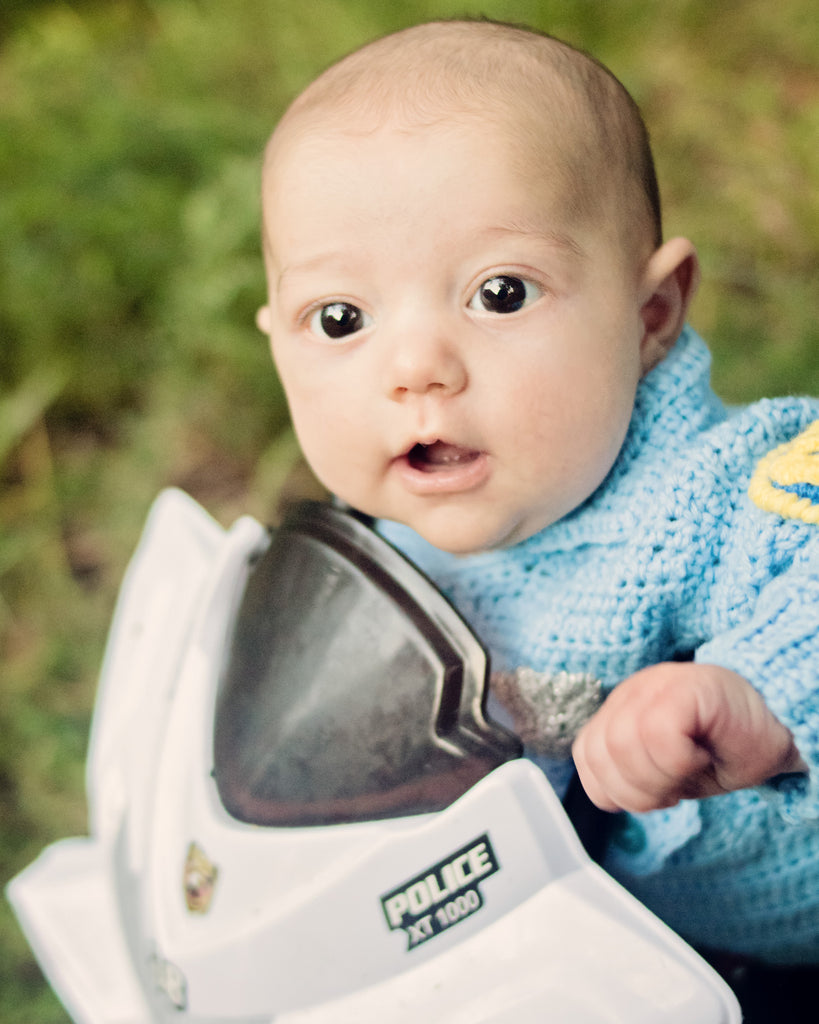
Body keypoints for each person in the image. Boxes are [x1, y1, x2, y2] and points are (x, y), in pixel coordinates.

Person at [254, 16, 819, 994]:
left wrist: (760, 696)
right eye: (340, 319)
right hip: (606, 957)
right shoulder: (391, 564)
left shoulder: (721, 490)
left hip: (782, 942)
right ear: (276, 343)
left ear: (651, 316)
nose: (416, 366)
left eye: (501, 293)